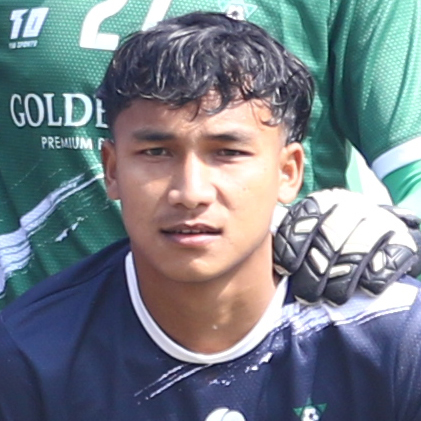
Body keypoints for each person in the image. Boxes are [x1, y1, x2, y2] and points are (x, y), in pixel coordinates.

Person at [0, 13, 420, 420]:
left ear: (289, 171)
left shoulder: (396, 336)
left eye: (228, 153)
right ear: (111, 169)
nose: (191, 193)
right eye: (156, 152)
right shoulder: (27, 355)